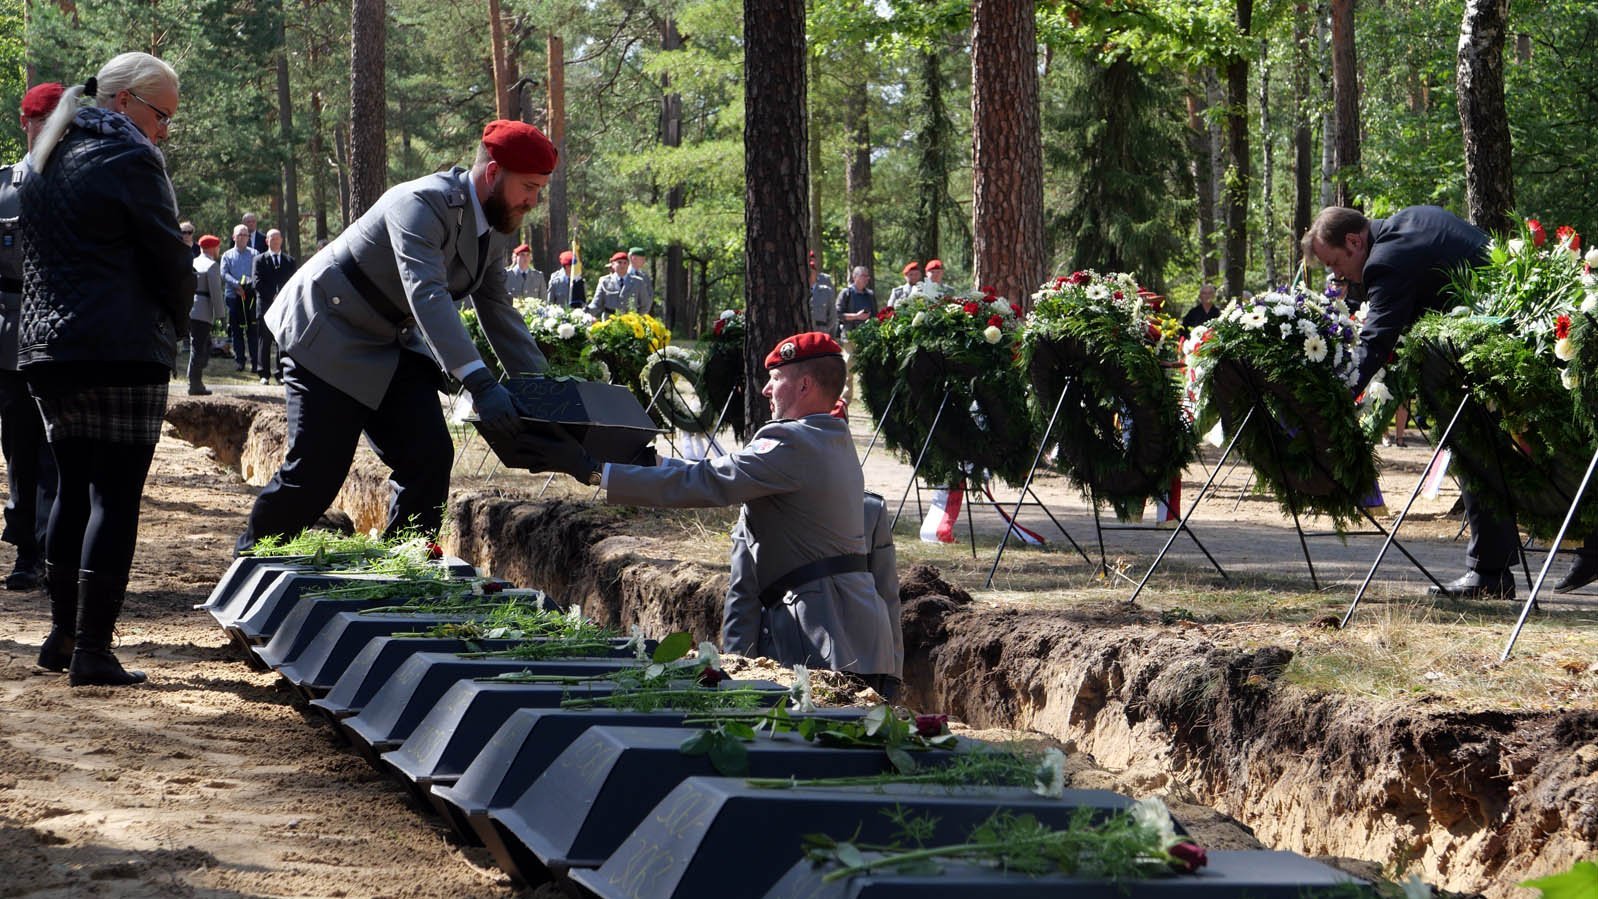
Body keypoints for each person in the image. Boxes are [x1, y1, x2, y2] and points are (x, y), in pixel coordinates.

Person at [236, 119, 556, 553]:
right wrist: (480, 382)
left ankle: (402, 567)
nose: (533, 201)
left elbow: (498, 309)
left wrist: (546, 392)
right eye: (529, 187)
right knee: (316, 471)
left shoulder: (496, 227)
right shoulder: (422, 203)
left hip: (388, 337)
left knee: (428, 455)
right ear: (494, 173)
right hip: (327, 327)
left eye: (540, 190)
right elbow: (427, 294)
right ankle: (251, 561)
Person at [524, 332, 901, 686]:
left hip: (824, 640)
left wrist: (596, 472)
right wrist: (650, 464)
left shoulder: (791, 440)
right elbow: (719, 472)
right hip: (861, 642)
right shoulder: (831, 437)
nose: (765, 389)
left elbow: (709, 482)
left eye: (775, 378)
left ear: (804, 385)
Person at [1305, 204, 1598, 599]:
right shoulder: (1413, 217)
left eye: (1335, 263)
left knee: (1475, 444)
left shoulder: (1384, 261)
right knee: (1547, 444)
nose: (1338, 275)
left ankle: (1491, 572)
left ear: (1355, 242)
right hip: (1518, 331)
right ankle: (1522, 559)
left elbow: (1377, 342)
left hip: (1501, 352)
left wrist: (1333, 398)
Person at [21, 52, 194, 685]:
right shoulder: (130, 158)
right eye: (162, 115)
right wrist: (176, 320)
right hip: (121, 348)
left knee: (71, 490)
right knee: (114, 498)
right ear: (125, 101)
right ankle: (94, 650)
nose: (164, 131)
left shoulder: (46, 157)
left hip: (49, 352)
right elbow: (168, 258)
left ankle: (62, 636)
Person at [0, 82, 63, 592]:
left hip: (67, 334)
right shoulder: (4, 187)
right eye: (42, 120)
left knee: (58, 450)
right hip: (11, 334)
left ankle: (51, 549)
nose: (50, 130)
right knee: (20, 446)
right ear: (25, 123)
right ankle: (26, 547)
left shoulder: (84, 183)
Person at [252, 228, 296, 384]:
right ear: (267, 241)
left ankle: (280, 373)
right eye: (272, 238)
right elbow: (256, 282)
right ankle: (264, 374)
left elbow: (293, 283)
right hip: (265, 306)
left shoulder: (289, 261)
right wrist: (273, 296)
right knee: (264, 340)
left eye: (277, 238)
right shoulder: (259, 260)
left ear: (282, 240)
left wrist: (282, 297)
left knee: (281, 341)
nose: (275, 241)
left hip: (284, 308)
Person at [220, 223, 259, 374]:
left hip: (250, 297)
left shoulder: (255, 253)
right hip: (233, 296)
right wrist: (237, 285)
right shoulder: (227, 255)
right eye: (240, 235)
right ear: (234, 237)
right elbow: (224, 273)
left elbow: (258, 272)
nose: (243, 238)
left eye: (246, 235)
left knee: (252, 331)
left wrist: (248, 285)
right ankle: (240, 361)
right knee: (237, 331)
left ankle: (255, 363)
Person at [187, 235, 223, 395]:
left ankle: (194, 378)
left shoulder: (193, 262)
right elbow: (216, 292)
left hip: (191, 308)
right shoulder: (212, 265)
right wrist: (221, 315)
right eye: (218, 247)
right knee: (199, 348)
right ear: (213, 248)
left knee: (204, 345)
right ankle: (194, 383)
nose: (218, 250)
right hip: (203, 311)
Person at [589, 250, 629, 319]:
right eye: (619, 262)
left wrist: (639, 318)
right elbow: (596, 303)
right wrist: (586, 313)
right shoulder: (604, 281)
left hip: (631, 321)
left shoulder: (637, 282)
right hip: (609, 320)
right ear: (613, 265)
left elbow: (645, 305)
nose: (622, 265)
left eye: (625, 263)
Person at [808, 251, 837, 336]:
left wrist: (826, 330)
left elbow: (832, 315)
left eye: (812, 272)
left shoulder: (826, 288)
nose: (810, 275)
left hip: (821, 331)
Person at [625, 246, 654, 316]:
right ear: (632, 258)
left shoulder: (644, 277)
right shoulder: (624, 274)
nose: (644, 261)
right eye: (642, 259)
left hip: (640, 315)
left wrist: (642, 313)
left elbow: (650, 296)